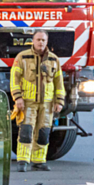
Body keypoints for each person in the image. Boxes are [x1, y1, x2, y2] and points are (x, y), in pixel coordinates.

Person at [10, 29, 65, 172]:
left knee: (44, 132)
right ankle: (23, 161)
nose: (41, 42)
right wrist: (18, 98)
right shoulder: (22, 57)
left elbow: (59, 82)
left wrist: (59, 101)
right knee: (26, 131)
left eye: (43, 40)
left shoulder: (54, 59)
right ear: (33, 41)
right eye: (38, 39)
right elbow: (14, 79)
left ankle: (39, 161)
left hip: (47, 103)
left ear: (47, 42)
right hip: (27, 101)